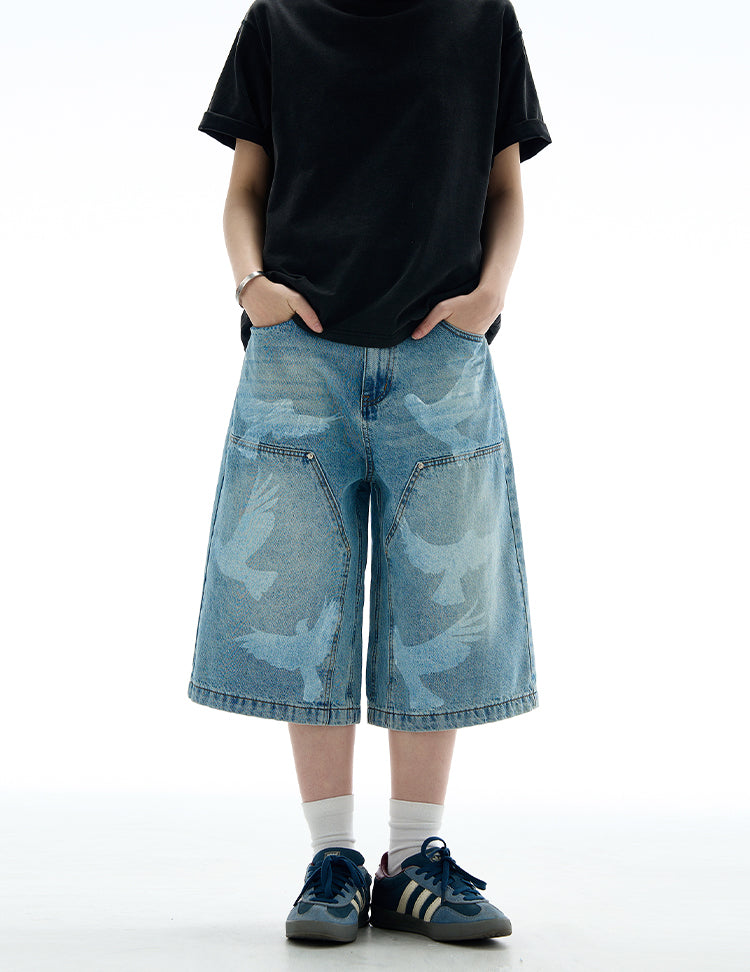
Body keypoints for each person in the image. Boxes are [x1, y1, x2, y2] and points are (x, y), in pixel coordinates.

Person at [188, 0, 551, 945]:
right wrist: (251, 287)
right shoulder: (279, 19)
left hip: (443, 359)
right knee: (296, 603)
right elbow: (245, 185)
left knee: (442, 605)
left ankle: (414, 859)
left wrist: (489, 297)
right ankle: (334, 861)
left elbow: (504, 184)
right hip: (296, 360)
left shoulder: (482, 19)